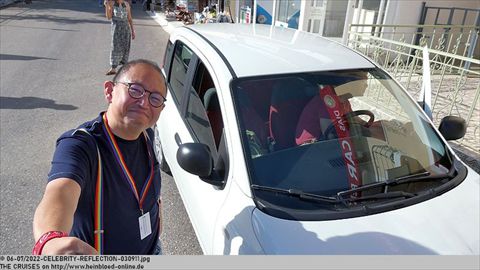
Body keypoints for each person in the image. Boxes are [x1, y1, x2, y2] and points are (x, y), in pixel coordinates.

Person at [32, 59, 167, 255]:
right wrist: (49, 241)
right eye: (135, 89)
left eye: (155, 98)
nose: (144, 102)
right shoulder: (80, 144)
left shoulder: (147, 135)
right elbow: (59, 192)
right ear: (109, 91)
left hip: (153, 250)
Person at [295, 70, 381, 145]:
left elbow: (354, 119)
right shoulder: (326, 101)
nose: (366, 85)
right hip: (309, 149)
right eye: (363, 81)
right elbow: (332, 135)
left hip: (328, 144)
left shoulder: (344, 101)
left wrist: (378, 127)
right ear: (349, 82)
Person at [104, 0, 135, 76]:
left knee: (125, 48)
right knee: (115, 47)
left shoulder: (126, 4)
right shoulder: (112, 3)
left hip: (126, 30)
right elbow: (109, 17)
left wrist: (133, 31)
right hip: (116, 30)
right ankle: (113, 68)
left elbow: (130, 19)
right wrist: (107, 6)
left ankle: (124, 67)